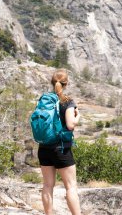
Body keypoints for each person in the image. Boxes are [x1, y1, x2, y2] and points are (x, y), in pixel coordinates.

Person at [37, 69, 81, 215]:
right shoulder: (67, 101)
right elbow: (70, 125)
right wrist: (78, 117)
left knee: (47, 185)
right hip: (61, 149)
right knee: (71, 186)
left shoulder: (44, 100)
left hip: (43, 147)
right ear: (66, 83)